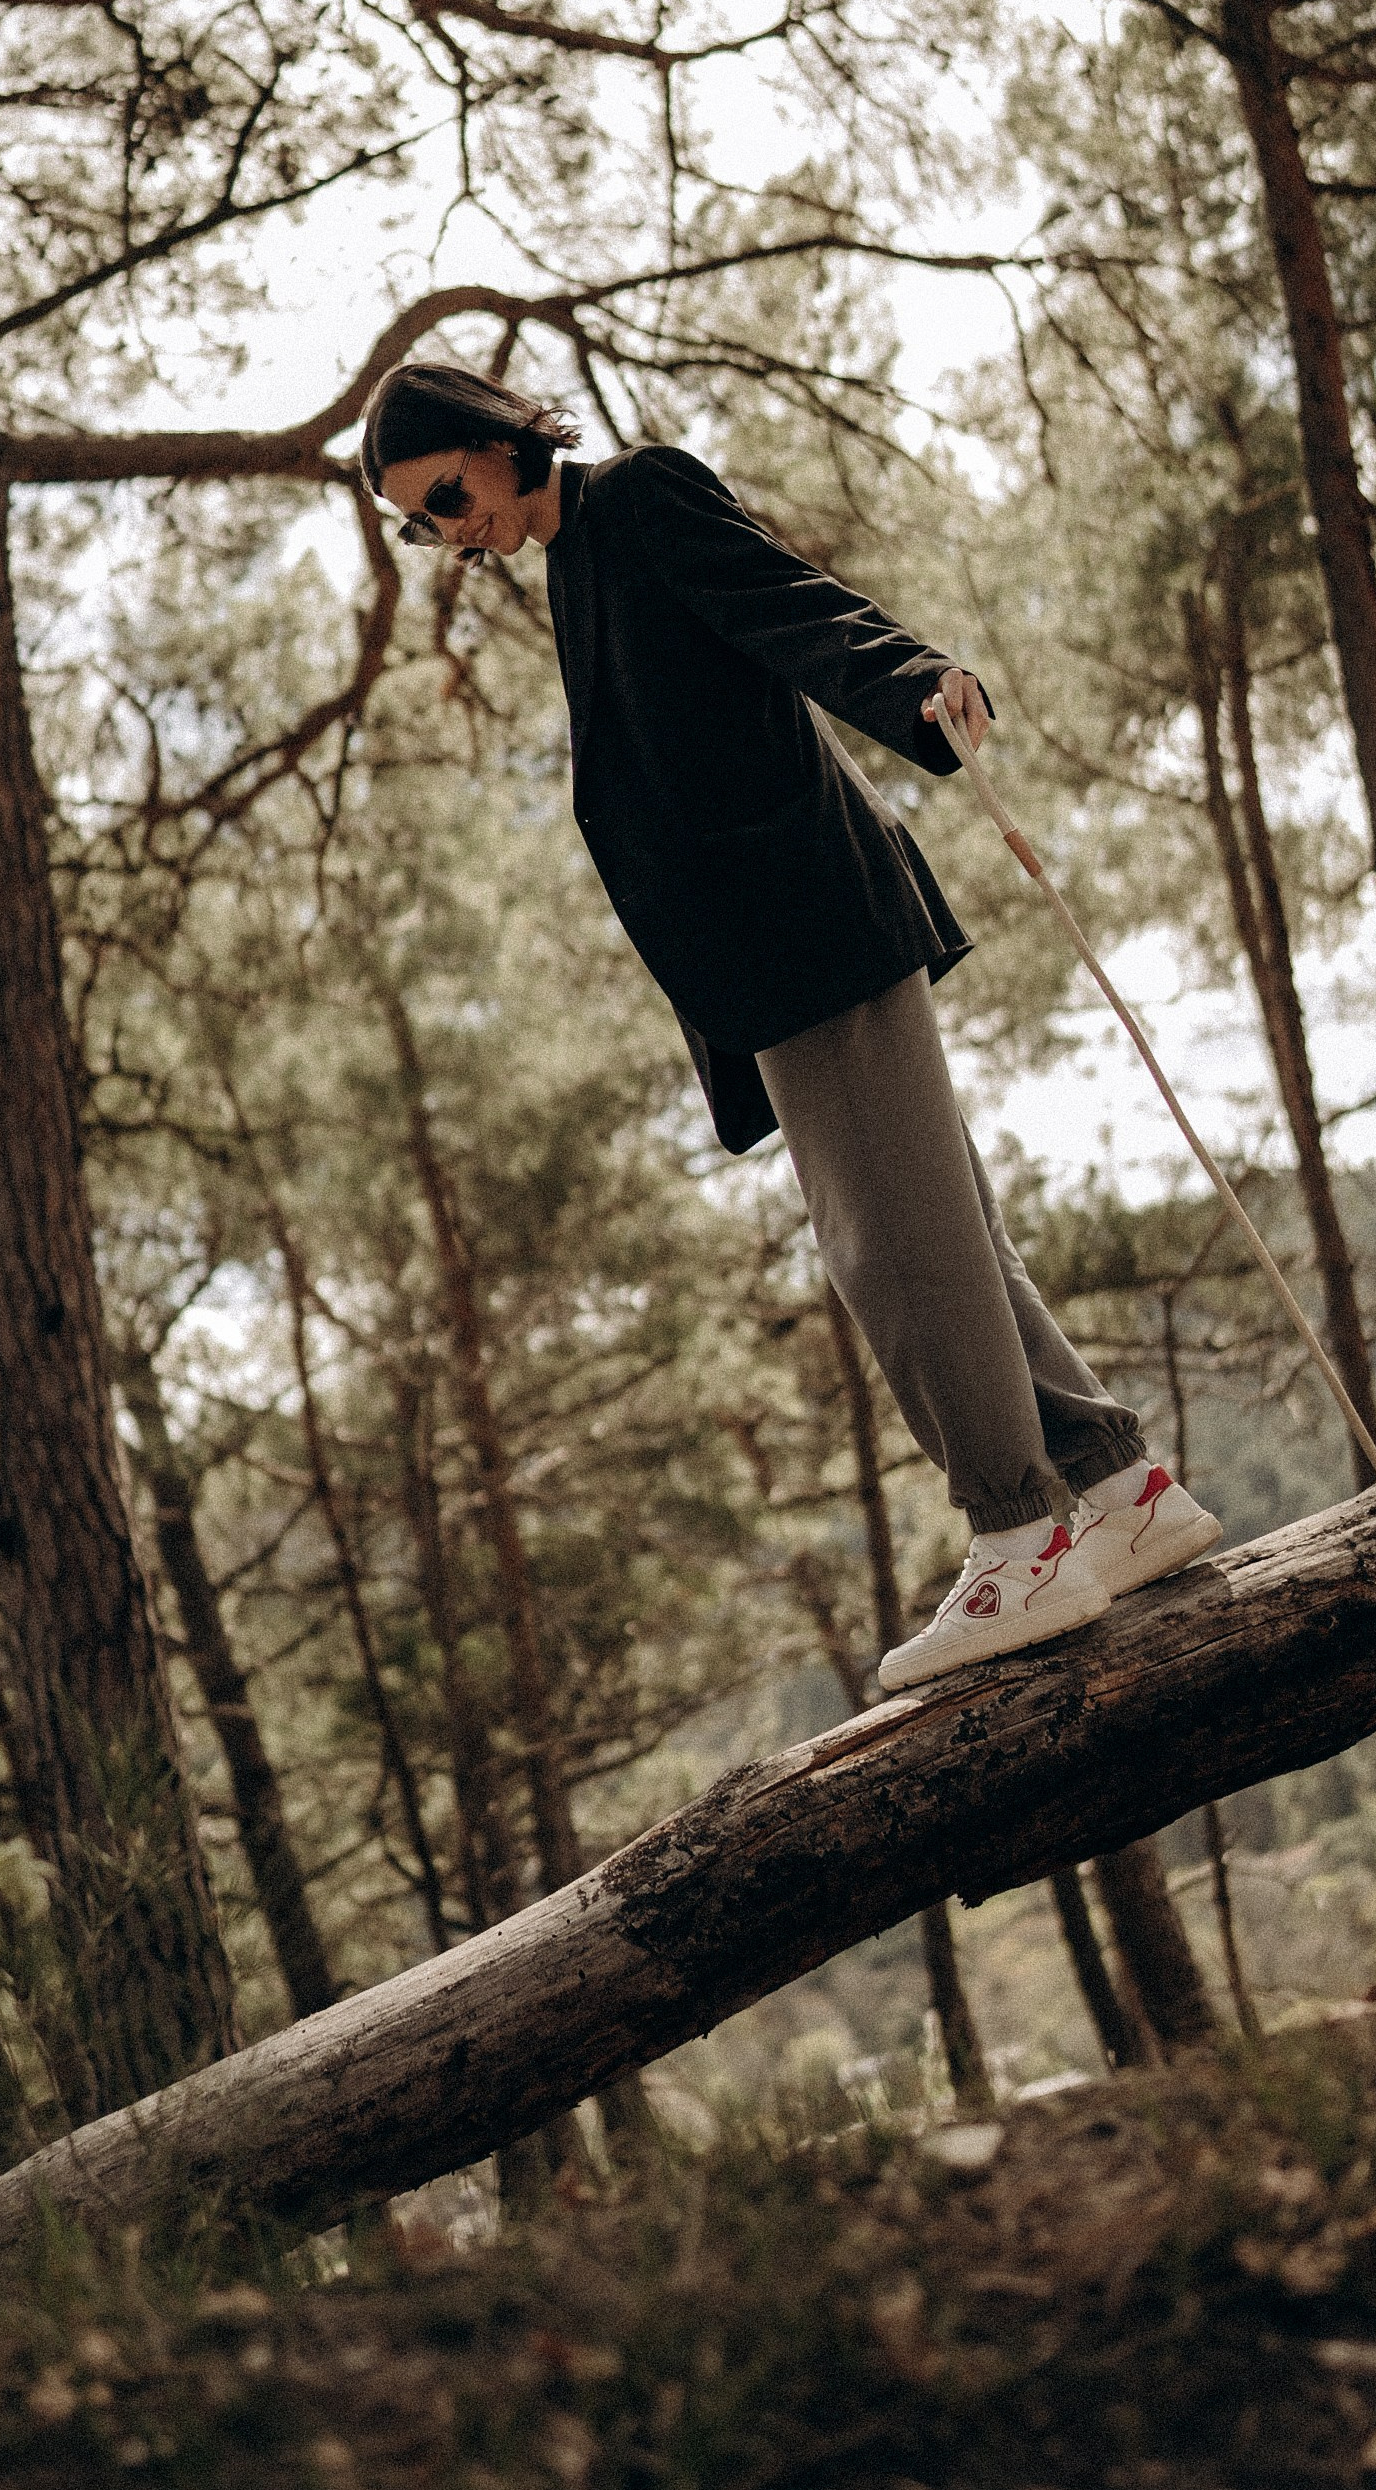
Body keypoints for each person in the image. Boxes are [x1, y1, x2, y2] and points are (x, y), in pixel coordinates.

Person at [361, 361, 1222, 1682]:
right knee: (945, 1232)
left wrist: (917, 680)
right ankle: (1119, 1496)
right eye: (425, 523)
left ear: (496, 439)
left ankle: (1018, 1539)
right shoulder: (574, 560)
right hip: (771, 959)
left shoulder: (637, 498)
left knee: (896, 1251)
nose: (448, 529)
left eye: (448, 494)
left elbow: (788, 606)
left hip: (810, 926)